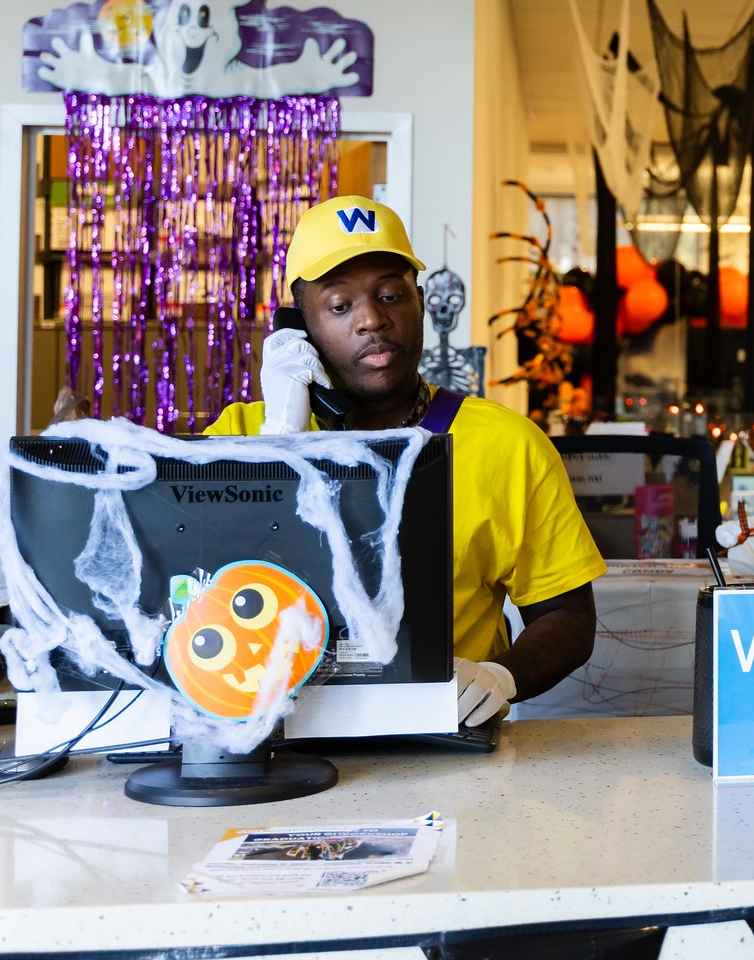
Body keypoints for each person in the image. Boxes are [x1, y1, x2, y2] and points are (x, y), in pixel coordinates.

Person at [205, 195, 607, 727]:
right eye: (340, 305)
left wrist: (501, 676)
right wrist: (283, 438)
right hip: (273, 741)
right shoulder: (236, 437)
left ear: (419, 302)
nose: (372, 318)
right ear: (297, 326)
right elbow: (203, 600)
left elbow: (566, 615)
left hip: (443, 739)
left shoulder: (509, 443)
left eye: (391, 294)